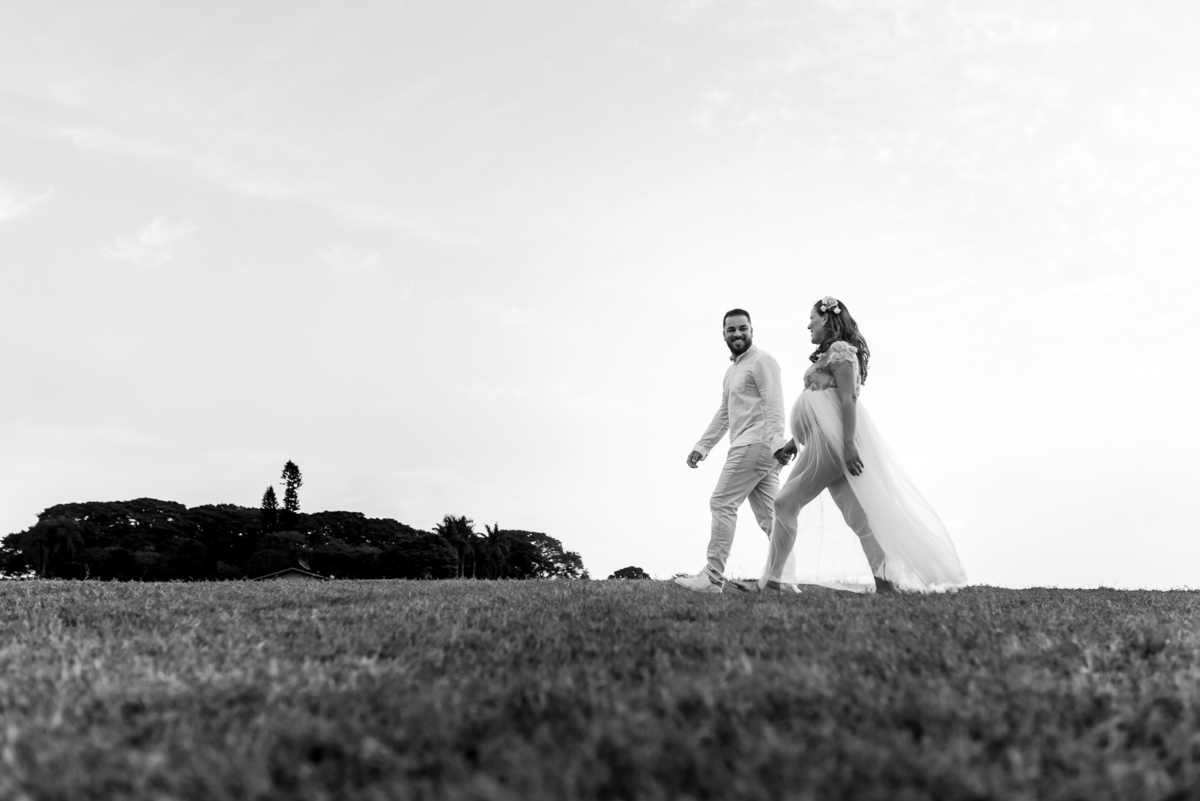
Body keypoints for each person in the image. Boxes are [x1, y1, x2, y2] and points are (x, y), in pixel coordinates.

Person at [734, 296, 967, 594]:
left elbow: (848, 399)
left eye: (812, 319)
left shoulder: (841, 352)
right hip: (824, 443)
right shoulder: (830, 354)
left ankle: (773, 581)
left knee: (784, 503)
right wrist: (795, 442)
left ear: (827, 319)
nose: (808, 325)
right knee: (859, 519)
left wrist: (847, 446)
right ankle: (885, 585)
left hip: (830, 447)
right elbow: (824, 405)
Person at [674, 309, 792, 594]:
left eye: (743, 328)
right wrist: (703, 446)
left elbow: (774, 403)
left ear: (752, 329)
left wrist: (777, 443)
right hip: (754, 446)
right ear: (724, 334)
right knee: (770, 518)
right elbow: (724, 414)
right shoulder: (732, 371)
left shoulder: (763, 361)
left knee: (721, 503)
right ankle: (784, 580)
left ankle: (712, 577)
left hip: (756, 444)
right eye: (731, 330)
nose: (737, 334)